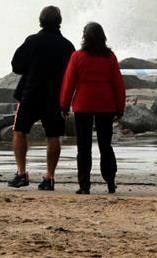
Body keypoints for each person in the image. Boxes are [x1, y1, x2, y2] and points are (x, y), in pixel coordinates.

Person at [8, 5, 75, 190]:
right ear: (59, 22)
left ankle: (21, 173)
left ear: (41, 21)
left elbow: (17, 66)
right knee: (53, 135)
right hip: (55, 96)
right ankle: (49, 177)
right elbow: (72, 74)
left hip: (31, 93)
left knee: (20, 131)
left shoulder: (32, 41)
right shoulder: (67, 46)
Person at [59, 21, 126, 194]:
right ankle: (110, 181)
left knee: (84, 146)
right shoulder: (110, 57)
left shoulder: (78, 56)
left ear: (84, 37)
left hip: (83, 105)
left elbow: (69, 83)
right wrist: (120, 108)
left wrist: (64, 105)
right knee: (105, 145)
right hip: (106, 104)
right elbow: (118, 84)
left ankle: (84, 185)